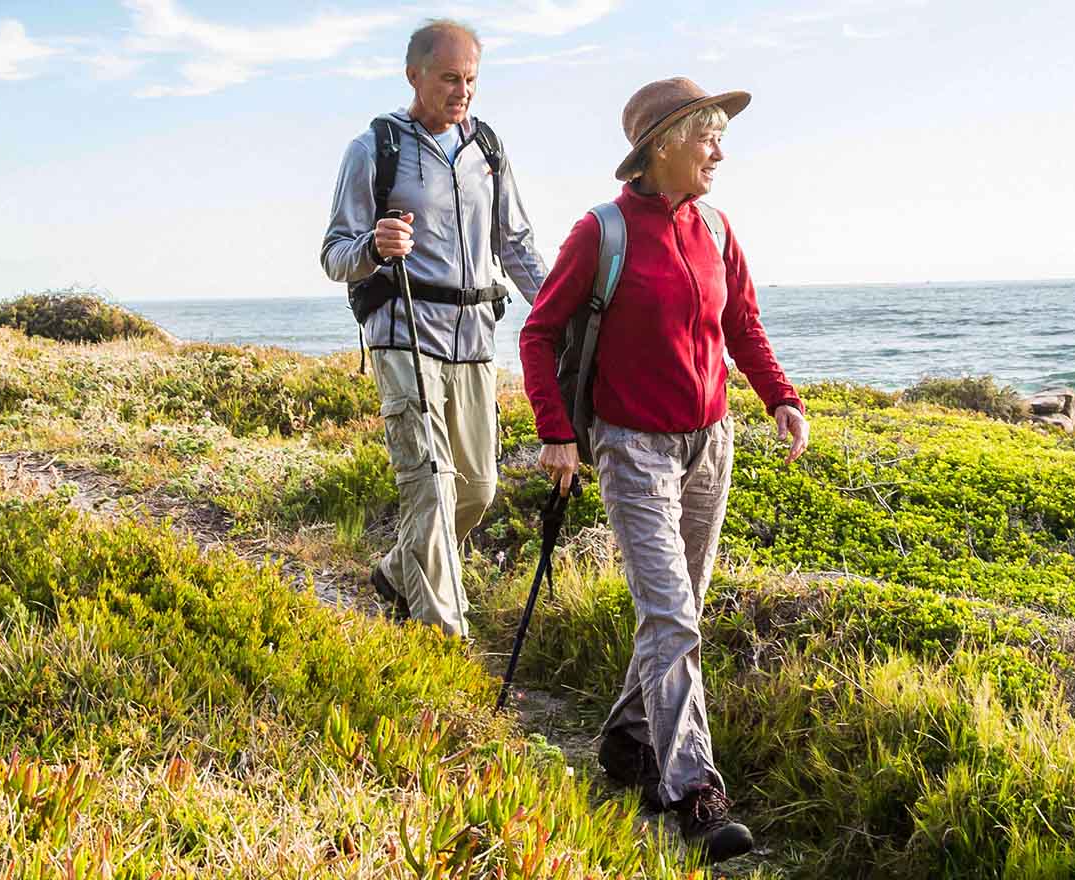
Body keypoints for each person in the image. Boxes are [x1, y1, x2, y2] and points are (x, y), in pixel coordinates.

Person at [516, 76, 810, 864]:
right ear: (662, 145)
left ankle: (624, 739)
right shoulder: (602, 232)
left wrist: (780, 397)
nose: (720, 150)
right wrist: (557, 433)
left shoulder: (716, 228)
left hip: (711, 441)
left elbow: (741, 323)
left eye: (720, 136)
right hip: (631, 447)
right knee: (673, 617)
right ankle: (694, 794)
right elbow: (539, 334)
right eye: (707, 136)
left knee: (674, 613)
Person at [320, 19, 546, 640]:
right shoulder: (375, 147)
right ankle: (445, 638)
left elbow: (518, 244)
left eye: (471, 79)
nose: (463, 91)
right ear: (414, 74)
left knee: (477, 488)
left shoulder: (489, 150)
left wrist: (557, 314)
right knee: (432, 488)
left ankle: (397, 571)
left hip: (475, 338)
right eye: (450, 77)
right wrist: (373, 244)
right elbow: (334, 253)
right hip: (404, 333)